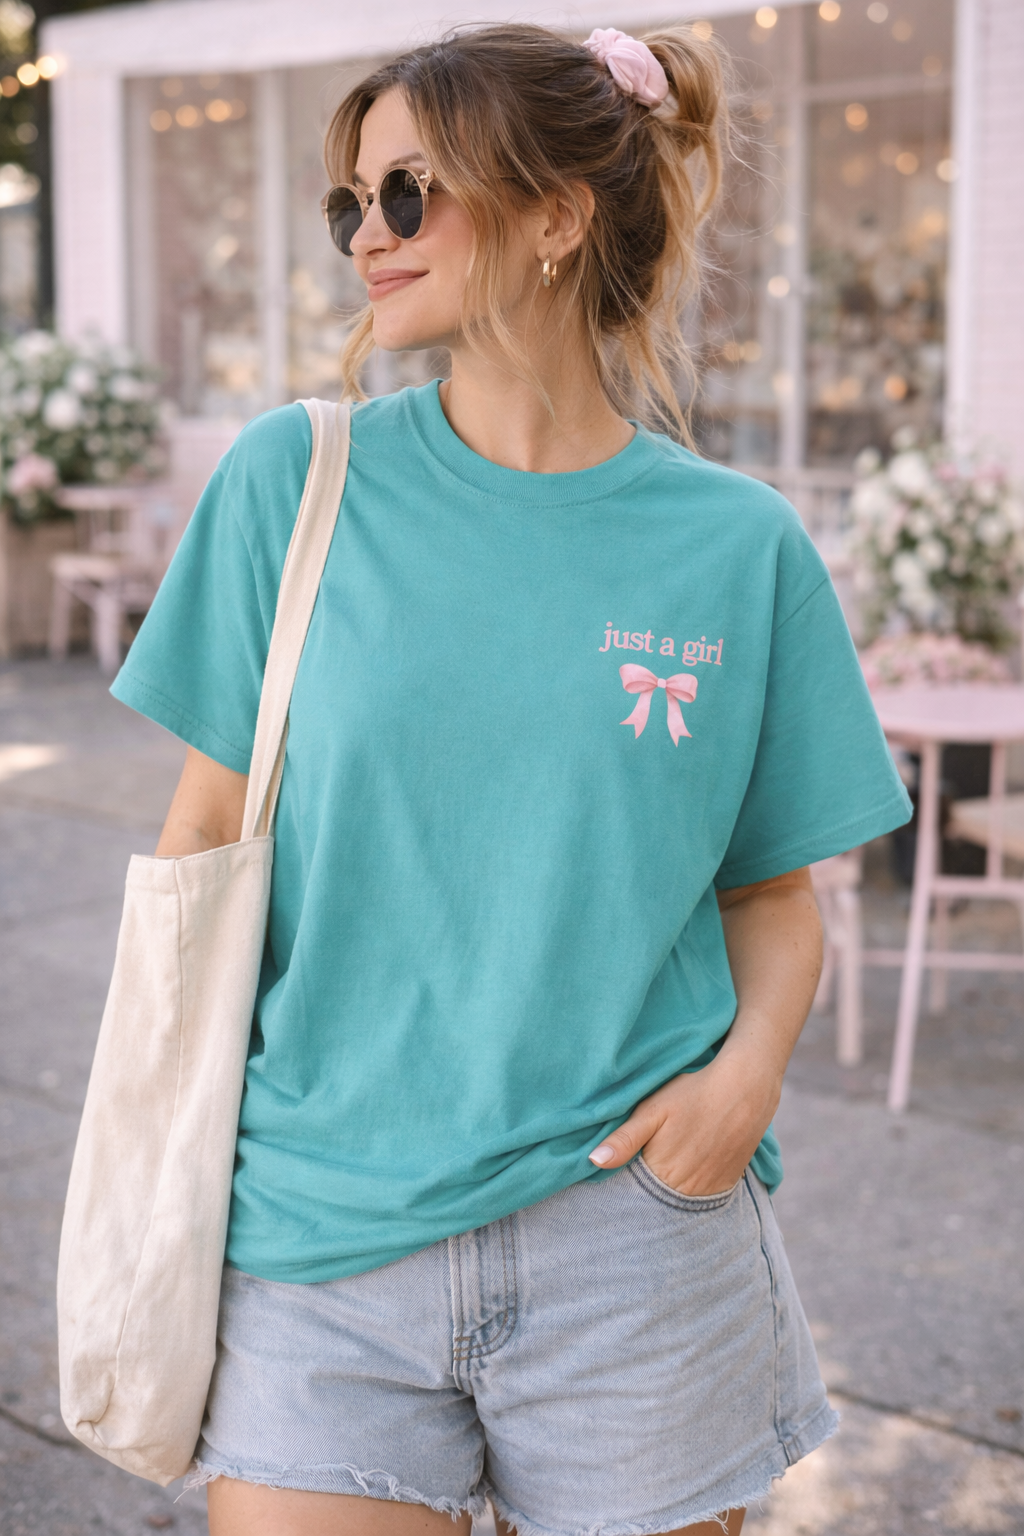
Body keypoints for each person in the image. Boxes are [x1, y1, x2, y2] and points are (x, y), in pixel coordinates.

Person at [111, 22, 910, 1536]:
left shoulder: (741, 552)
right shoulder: (292, 483)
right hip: (320, 1236)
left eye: (410, 193)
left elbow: (776, 897)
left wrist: (739, 1094)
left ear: (558, 213)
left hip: (637, 1241)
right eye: (350, 201)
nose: (367, 235)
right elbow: (206, 830)